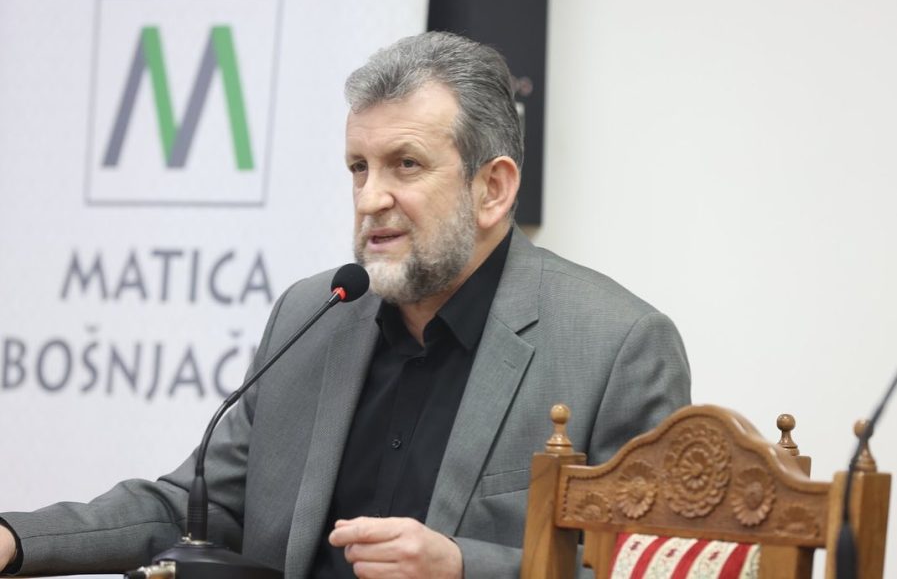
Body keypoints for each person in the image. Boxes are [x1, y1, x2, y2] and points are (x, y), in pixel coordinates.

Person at [0, 31, 690, 578]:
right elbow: (196, 507)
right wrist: (15, 539)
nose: (369, 198)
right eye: (359, 168)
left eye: (405, 165)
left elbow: (658, 566)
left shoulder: (616, 347)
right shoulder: (316, 313)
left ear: (493, 189)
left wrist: (464, 567)